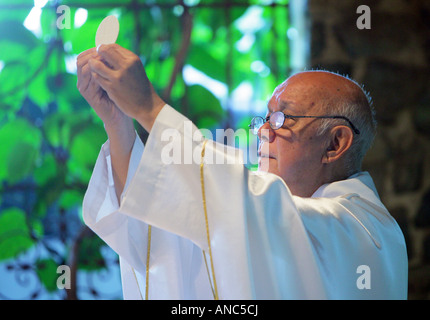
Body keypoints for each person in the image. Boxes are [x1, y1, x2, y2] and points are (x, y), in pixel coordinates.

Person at [77, 43, 408, 299]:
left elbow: (245, 200)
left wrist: (149, 108)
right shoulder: (269, 219)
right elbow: (150, 236)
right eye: (265, 118)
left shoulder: (360, 229)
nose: (264, 131)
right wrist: (117, 123)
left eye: (282, 119)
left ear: (335, 144)